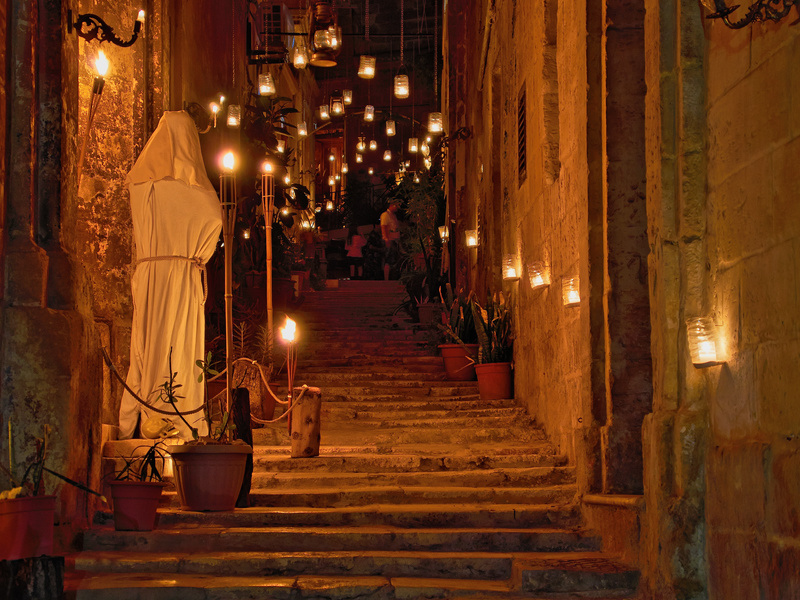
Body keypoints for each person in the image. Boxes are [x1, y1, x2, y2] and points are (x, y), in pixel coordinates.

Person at [380, 202, 401, 280]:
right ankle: (386, 278)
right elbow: (384, 227)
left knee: (393, 260)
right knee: (388, 260)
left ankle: (391, 278)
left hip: (394, 240)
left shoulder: (393, 216)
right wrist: (386, 239)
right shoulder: (386, 215)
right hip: (389, 240)